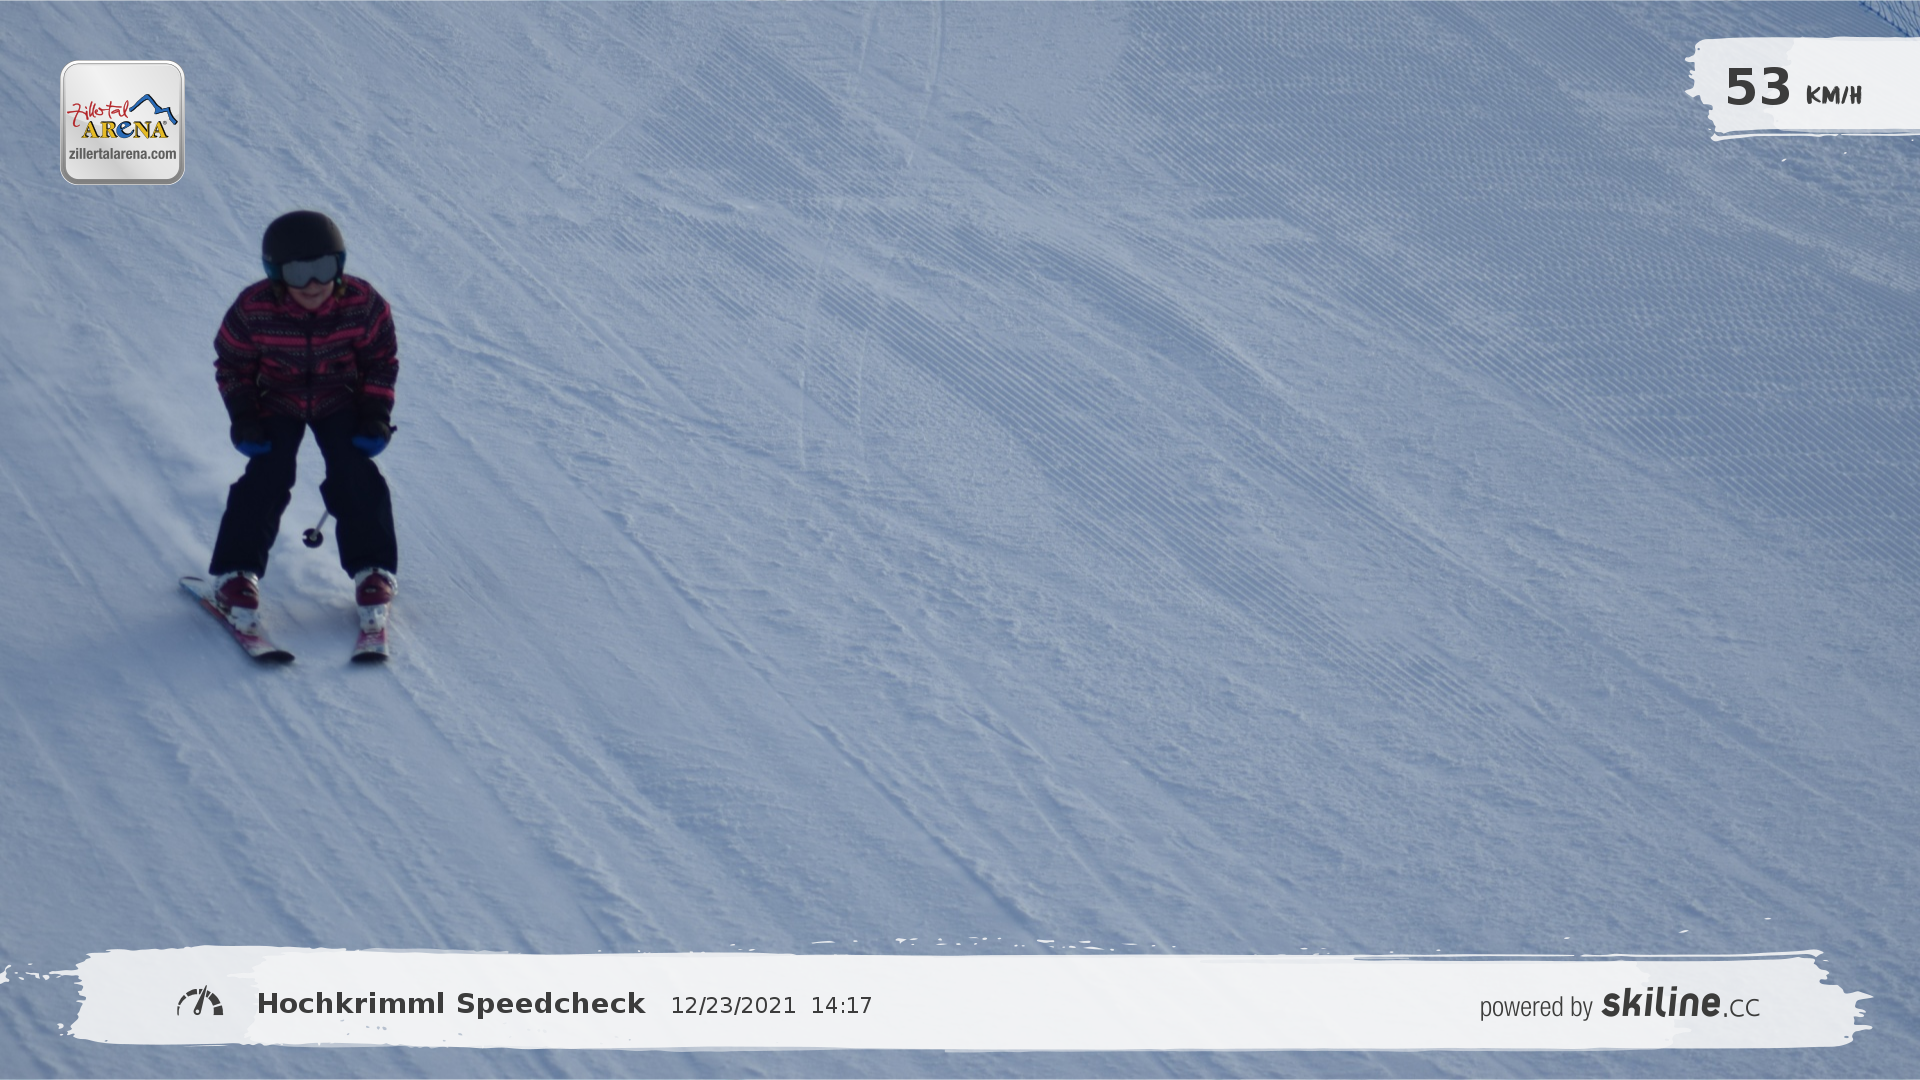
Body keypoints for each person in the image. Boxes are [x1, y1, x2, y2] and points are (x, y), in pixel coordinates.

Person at [205, 210, 398, 630]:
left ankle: (373, 570)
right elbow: (233, 365)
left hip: (339, 398)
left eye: (323, 268)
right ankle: (235, 574)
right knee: (268, 475)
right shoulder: (253, 309)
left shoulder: (363, 304)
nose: (312, 284)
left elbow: (380, 361)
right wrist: (244, 416)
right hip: (277, 400)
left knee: (354, 472)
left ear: (339, 265)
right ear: (276, 274)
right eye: (297, 273)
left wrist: (375, 414)